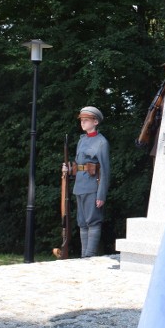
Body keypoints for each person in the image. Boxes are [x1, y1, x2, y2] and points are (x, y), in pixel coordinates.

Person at [65, 106, 111, 258]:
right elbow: (80, 165)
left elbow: (104, 170)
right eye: (82, 120)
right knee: (82, 222)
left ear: (95, 122)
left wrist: (101, 194)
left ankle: (89, 256)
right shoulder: (82, 140)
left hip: (93, 186)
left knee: (93, 221)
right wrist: (69, 169)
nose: (82, 123)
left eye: (86, 120)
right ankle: (84, 255)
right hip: (80, 186)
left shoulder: (101, 142)